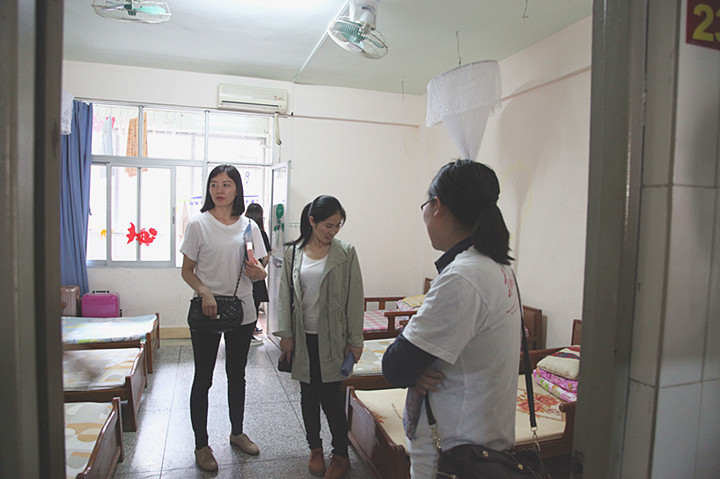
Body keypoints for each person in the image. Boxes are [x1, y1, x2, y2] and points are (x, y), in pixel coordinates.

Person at [382, 159, 521, 478]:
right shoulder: (497, 267)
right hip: (480, 442)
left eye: (426, 205)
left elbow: (394, 367)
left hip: (453, 454)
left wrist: (412, 367)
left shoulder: (463, 277)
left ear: (438, 206)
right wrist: (415, 365)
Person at [180, 164, 268, 472]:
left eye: (226, 184)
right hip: (206, 309)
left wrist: (261, 273)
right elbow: (187, 271)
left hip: (242, 309)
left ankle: (237, 433)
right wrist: (205, 292)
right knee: (203, 378)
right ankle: (201, 445)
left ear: (237, 190)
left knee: (237, 374)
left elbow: (260, 266)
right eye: (214, 184)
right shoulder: (198, 224)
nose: (220, 190)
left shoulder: (249, 226)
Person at [273, 195, 364, 479]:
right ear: (312, 221)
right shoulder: (294, 252)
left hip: (333, 338)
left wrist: (356, 340)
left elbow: (354, 298)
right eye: (328, 225)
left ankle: (341, 454)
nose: (333, 231)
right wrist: (286, 335)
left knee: (331, 398)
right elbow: (285, 296)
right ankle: (315, 448)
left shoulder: (345, 253)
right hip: (303, 338)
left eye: (337, 226)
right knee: (308, 396)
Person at [245, 202, 272, 345]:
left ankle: (243, 333)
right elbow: (266, 257)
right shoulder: (261, 233)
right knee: (254, 304)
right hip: (256, 275)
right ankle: (249, 335)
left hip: (243, 274)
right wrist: (260, 269)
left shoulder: (244, 231)